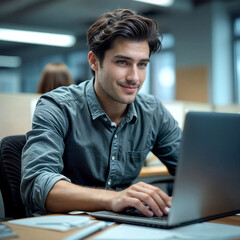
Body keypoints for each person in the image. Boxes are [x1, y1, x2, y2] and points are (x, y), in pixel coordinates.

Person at [21, 9, 182, 217]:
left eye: (142, 64)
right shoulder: (57, 106)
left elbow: (195, 170)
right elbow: (37, 185)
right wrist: (114, 198)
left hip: (124, 227)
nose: (135, 77)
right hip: (62, 229)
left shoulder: (153, 112)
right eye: (123, 62)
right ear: (94, 61)